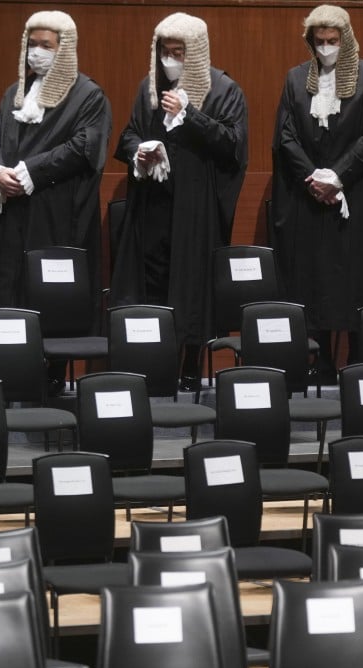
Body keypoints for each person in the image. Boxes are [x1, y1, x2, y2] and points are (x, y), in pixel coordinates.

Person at [111, 12, 248, 391]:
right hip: (153, 206)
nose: (170, 59)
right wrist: (140, 150)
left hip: (195, 210)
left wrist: (190, 115)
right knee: (152, 285)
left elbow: (232, 147)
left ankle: (190, 367)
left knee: (191, 288)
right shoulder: (149, 88)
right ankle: (154, 367)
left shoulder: (224, 90)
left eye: (178, 51)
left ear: (196, 53)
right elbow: (127, 135)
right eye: (165, 51)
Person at [271, 4, 363, 383]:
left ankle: (360, 360)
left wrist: (339, 176)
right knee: (314, 281)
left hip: (358, 199)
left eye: (333, 41)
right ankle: (322, 363)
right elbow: (285, 135)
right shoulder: (296, 79)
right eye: (320, 41)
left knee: (359, 279)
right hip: (311, 199)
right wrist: (314, 178)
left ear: (346, 40)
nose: (326, 48)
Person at [0, 10, 110, 310]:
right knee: (3, 293)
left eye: (46, 45)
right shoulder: (15, 92)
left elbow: (83, 147)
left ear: (64, 48)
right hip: (8, 211)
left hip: (53, 212)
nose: (37, 52)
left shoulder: (88, 95)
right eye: (32, 44)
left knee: (46, 305)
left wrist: (29, 172)